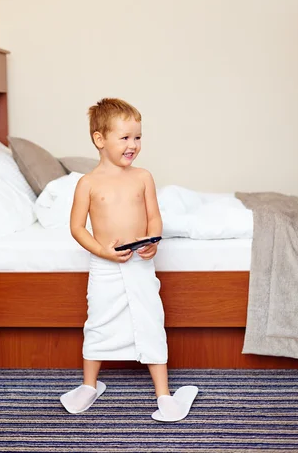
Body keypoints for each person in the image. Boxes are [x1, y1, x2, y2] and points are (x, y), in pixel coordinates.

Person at [60, 98, 197, 421]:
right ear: (99, 139)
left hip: (139, 263)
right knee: (98, 323)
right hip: (104, 266)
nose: (133, 145)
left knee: (151, 320)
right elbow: (77, 228)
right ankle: (89, 385)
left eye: (137, 137)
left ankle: (163, 393)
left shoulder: (143, 177)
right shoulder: (88, 183)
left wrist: (154, 242)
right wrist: (103, 251)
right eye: (124, 138)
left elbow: (154, 218)